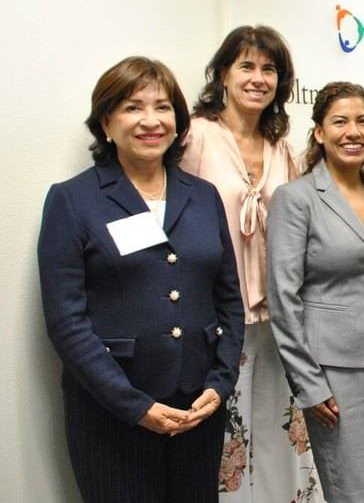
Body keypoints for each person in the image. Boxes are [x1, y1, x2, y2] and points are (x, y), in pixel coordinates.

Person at [37, 56, 244, 502]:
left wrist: (220, 383)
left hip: (197, 409)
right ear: (106, 122)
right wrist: (135, 406)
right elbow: (66, 323)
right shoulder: (73, 200)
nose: (150, 120)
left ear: (178, 121)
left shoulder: (203, 195)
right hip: (113, 414)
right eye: (133, 107)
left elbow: (229, 301)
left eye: (163, 107)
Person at [267, 82, 364, 503]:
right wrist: (308, 383)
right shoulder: (296, 198)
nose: (352, 131)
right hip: (334, 369)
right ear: (319, 132)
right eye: (340, 121)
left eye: (363, 121)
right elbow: (283, 299)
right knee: (352, 486)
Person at [182, 25, 322, 501]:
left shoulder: (281, 145)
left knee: (283, 424)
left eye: (269, 69)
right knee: (230, 436)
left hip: (278, 313)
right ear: (223, 73)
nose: (258, 78)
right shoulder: (195, 137)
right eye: (247, 66)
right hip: (220, 316)